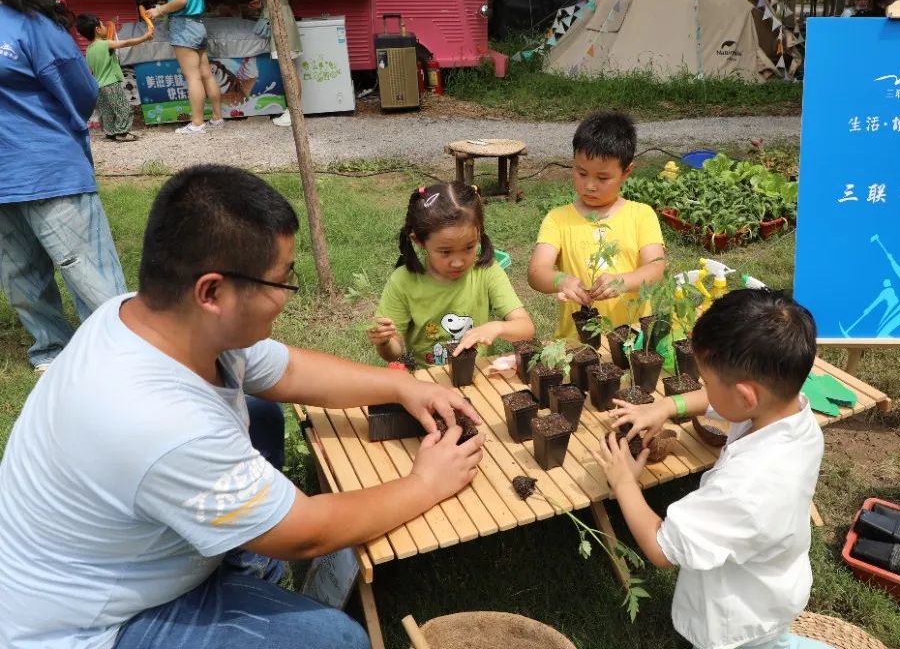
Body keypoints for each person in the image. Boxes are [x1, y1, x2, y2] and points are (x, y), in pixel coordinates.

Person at [0, 165, 486, 649]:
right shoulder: (160, 422)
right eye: (282, 280)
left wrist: (401, 388)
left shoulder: (145, 316)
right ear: (212, 291)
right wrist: (427, 482)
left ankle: (245, 556)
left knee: (262, 412)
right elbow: (308, 534)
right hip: (89, 627)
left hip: (119, 555)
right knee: (333, 642)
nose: (285, 298)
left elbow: (287, 371)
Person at [594, 289, 828, 649]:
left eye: (707, 381)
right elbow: (725, 401)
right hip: (770, 587)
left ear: (746, 395)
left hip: (736, 621)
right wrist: (668, 406)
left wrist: (624, 482)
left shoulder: (748, 487)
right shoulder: (791, 413)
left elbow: (661, 548)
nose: (704, 389)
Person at [0, 0, 128, 373]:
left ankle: (117, 353)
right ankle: (51, 350)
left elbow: (82, 92)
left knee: (87, 272)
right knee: (20, 277)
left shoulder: (31, 25)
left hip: (50, 171)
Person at [527, 111, 666, 341]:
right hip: (576, 343)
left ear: (627, 172)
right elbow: (536, 272)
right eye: (581, 173)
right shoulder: (558, 219)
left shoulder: (641, 215)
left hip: (632, 340)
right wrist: (560, 280)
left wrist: (623, 281)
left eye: (602, 178)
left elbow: (655, 269)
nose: (590, 185)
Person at [369, 181, 534, 366]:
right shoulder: (403, 281)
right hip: (429, 381)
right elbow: (393, 353)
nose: (458, 262)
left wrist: (497, 327)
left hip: (476, 376)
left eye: (469, 247)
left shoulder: (486, 272)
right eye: (445, 252)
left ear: (478, 233)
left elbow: (525, 327)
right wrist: (385, 342)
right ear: (419, 242)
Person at [146, 0, 224, 134]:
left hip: (183, 26)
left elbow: (181, 0)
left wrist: (159, 10)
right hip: (198, 24)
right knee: (206, 74)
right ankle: (217, 117)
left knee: (193, 77)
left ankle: (197, 123)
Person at [239, 0, 303, 127]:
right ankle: (293, 111)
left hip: (281, 20)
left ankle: (294, 112)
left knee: (288, 68)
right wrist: (265, 3)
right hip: (280, 16)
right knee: (288, 66)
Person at [74, 13, 154, 142]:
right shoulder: (105, 44)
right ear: (97, 30)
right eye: (103, 25)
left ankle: (110, 132)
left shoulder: (89, 49)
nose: (105, 27)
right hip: (111, 83)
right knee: (123, 108)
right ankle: (122, 132)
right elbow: (126, 42)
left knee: (107, 111)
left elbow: (90, 70)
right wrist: (144, 38)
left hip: (98, 86)